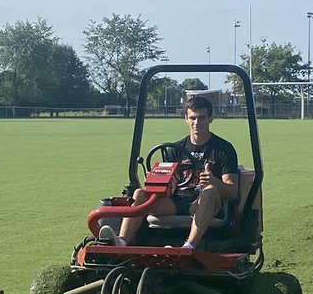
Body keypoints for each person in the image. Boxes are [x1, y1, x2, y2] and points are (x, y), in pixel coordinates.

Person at [101, 94, 239, 250]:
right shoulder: (175, 149)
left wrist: (214, 181)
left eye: (202, 118)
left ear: (210, 118)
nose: (197, 123)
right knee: (139, 193)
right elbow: (168, 187)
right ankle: (121, 242)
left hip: (204, 202)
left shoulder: (223, 150)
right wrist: (155, 181)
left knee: (210, 190)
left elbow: (232, 192)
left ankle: (189, 246)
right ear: (186, 119)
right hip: (175, 202)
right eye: (193, 118)